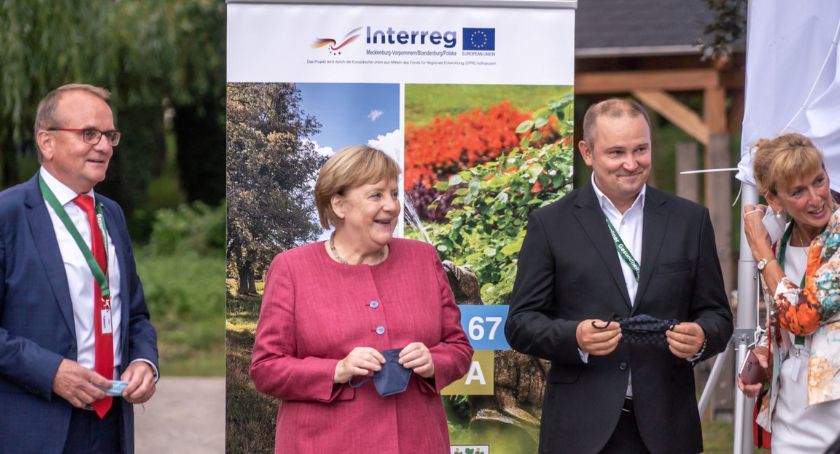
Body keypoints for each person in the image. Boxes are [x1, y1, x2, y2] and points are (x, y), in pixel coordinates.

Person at [504, 98, 733, 453]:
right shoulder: (551, 224)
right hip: (580, 431)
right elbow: (519, 324)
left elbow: (718, 315)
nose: (631, 163)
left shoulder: (690, 221)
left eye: (641, 149)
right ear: (587, 152)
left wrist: (701, 337)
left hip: (667, 430)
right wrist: (574, 337)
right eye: (616, 153)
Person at [250, 145, 473, 453]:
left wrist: (434, 361)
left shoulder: (424, 259)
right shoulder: (291, 268)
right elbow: (266, 368)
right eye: (376, 195)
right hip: (322, 444)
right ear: (339, 204)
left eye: (394, 194)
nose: (392, 206)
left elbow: (459, 347)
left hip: (417, 442)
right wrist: (336, 370)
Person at [0, 84, 159, 454]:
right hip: (36, 428)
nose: (103, 146)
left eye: (109, 135)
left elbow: (134, 313)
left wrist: (144, 361)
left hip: (111, 425)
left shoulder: (112, 214)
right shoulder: (7, 215)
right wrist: (51, 372)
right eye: (88, 133)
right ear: (47, 142)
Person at [737, 133, 840, 452]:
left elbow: (804, 316)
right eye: (798, 191)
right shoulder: (781, 245)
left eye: (819, 181)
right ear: (775, 201)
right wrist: (764, 353)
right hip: (791, 413)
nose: (816, 198)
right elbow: (783, 321)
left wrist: (760, 251)